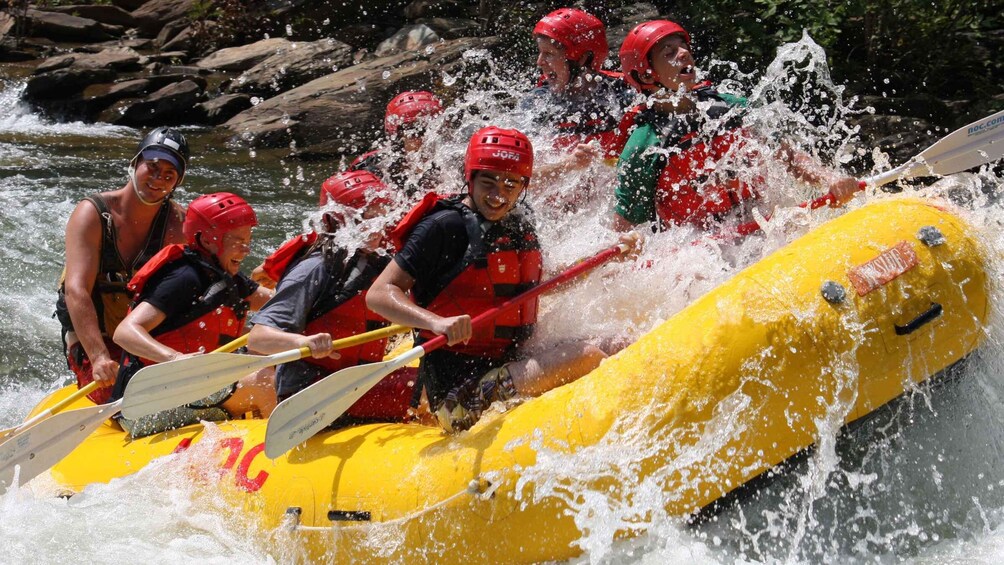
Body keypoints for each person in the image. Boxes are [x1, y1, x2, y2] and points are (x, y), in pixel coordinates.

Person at [366, 126, 621, 433]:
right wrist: (435, 323)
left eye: (512, 185)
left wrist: (608, 256)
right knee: (587, 356)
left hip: (511, 362)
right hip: (457, 394)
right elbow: (378, 294)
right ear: (470, 177)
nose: (499, 196)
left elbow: (543, 285)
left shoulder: (519, 222)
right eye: (488, 183)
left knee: (618, 342)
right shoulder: (442, 227)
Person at [611, 20, 861, 234]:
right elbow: (626, 227)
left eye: (684, 47)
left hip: (760, 222)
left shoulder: (729, 107)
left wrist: (830, 178)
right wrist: (631, 242)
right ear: (646, 75)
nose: (685, 54)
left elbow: (788, 156)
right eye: (669, 53)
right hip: (698, 247)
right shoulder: (643, 148)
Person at [247, 170, 415, 422]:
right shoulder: (315, 268)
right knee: (424, 388)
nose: (377, 225)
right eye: (368, 216)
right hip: (315, 394)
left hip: (357, 384)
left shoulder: (378, 260)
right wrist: (304, 343)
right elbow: (257, 338)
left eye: (381, 214)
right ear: (338, 220)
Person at [111, 192, 274, 437]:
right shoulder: (183, 278)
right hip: (146, 409)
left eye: (248, 239)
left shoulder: (226, 275)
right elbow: (124, 332)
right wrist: (174, 358)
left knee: (275, 352)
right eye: (238, 240)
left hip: (192, 392)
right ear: (207, 240)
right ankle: (282, 452)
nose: (247, 249)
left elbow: (278, 303)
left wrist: (287, 275)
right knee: (265, 382)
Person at [55, 127, 188, 404]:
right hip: (94, 335)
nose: (157, 179)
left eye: (168, 175)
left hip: (140, 332)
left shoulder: (178, 223)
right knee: (115, 397)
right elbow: (76, 290)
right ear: (135, 163)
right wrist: (99, 356)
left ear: (176, 183)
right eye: (151, 167)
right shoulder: (92, 213)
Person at [521, 8, 636, 183]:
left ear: (582, 59)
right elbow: (513, 179)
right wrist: (567, 165)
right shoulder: (536, 103)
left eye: (549, 54)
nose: (540, 62)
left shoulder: (623, 94)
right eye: (540, 52)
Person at [349, 90, 444, 199]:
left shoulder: (452, 163)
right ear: (398, 138)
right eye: (417, 132)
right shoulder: (372, 171)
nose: (426, 139)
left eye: (433, 129)